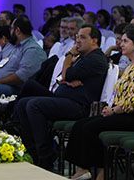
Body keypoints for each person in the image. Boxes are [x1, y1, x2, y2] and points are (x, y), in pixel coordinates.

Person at [66, 24, 134, 180]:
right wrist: (111, 108)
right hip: (123, 113)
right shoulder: (131, 66)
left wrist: (114, 110)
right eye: (122, 40)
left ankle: (101, 172)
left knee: (90, 127)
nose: (121, 44)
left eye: (126, 41)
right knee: (81, 124)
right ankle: (83, 168)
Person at [16, 25, 108, 170]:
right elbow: (64, 78)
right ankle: (34, 153)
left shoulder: (95, 59)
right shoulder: (84, 57)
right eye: (77, 37)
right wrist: (68, 77)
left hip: (79, 107)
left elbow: (66, 75)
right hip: (65, 99)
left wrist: (69, 55)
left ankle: (45, 157)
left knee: (34, 105)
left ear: (94, 41)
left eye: (82, 37)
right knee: (22, 103)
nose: (77, 41)